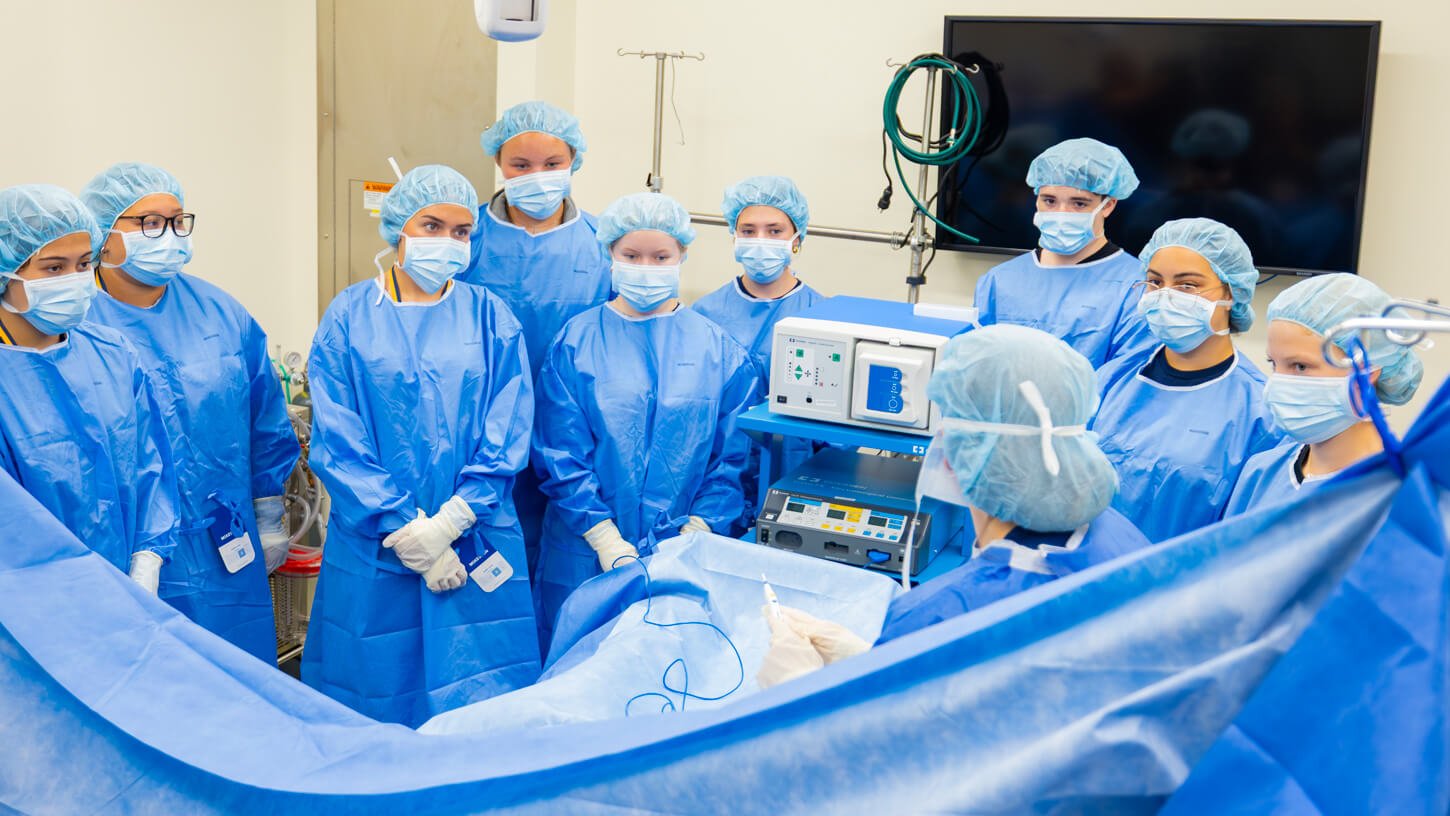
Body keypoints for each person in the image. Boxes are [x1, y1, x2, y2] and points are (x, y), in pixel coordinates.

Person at [756, 324, 1151, 688]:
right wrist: (868, 660)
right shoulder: (1119, 535)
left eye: (950, 422)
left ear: (959, 453)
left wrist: (798, 686)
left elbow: (875, 748)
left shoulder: (945, 614)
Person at [301, 165, 540, 726]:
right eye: (432, 225)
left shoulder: (491, 317)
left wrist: (449, 522)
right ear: (398, 230)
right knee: (371, 698)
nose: (449, 242)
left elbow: (508, 430)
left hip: (475, 533)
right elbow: (339, 438)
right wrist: (407, 530)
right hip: (377, 546)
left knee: (482, 706)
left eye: (462, 231)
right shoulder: (350, 317)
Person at [81, 162, 299, 663]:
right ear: (103, 236)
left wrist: (269, 511)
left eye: (178, 221)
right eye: (149, 223)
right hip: (127, 553)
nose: (170, 235)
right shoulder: (77, 325)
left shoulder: (221, 313)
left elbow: (264, 417)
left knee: (236, 677)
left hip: (225, 543)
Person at [533, 192, 762, 637]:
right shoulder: (575, 344)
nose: (646, 267)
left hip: (684, 556)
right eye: (631, 255)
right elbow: (560, 453)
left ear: (682, 256)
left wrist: (697, 529)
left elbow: (732, 461)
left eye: (661, 256)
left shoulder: (719, 353)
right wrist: (603, 537)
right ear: (610, 256)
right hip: (585, 553)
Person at [458, 100, 613, 588]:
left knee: (565, 559)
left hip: (573, 431)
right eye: (520, 165)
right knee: (491, 558)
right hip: (479, 428)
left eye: (552, 165)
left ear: (574, 163)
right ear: (498, 163)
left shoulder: (602, 244)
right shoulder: (467, 237)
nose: (536, 176)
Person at [0, 184, 179, 593]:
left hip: (122, 586)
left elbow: (150, 464)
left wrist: (148, 557)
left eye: (84, 264)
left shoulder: (112, 354)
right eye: (53, 268)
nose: (76, 280)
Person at [1090, 218, 1284, 542]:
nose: (1165, 296)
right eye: (1154, 282)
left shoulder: (1261, 413)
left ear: (1231, 293)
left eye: (1187, 286)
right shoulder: (1111, 380)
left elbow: (1247, 539)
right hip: (1083, 577)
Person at [1225, 273, 1423, 514]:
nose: (1278, 384)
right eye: (1274, 363)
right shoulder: (1261, 473)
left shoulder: (1400, 495)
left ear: (1366, 374)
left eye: (1300, 366)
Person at [692, 176, 824, 522]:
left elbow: (835, 431)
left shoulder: (822, 318)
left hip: (796, 480)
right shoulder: (703, 315)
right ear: (733, 236)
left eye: (775, 230)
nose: (760, 240)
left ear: (797, 238)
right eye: (748, 231)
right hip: (713, 484)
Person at [973, 138, 1153, 368]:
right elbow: (979, 369)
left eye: (1079, 204)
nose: (1061, 213)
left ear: (1108, 205)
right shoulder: (999, 280)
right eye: (1049, 201)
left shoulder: (1136, 286)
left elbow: (1124, 381)